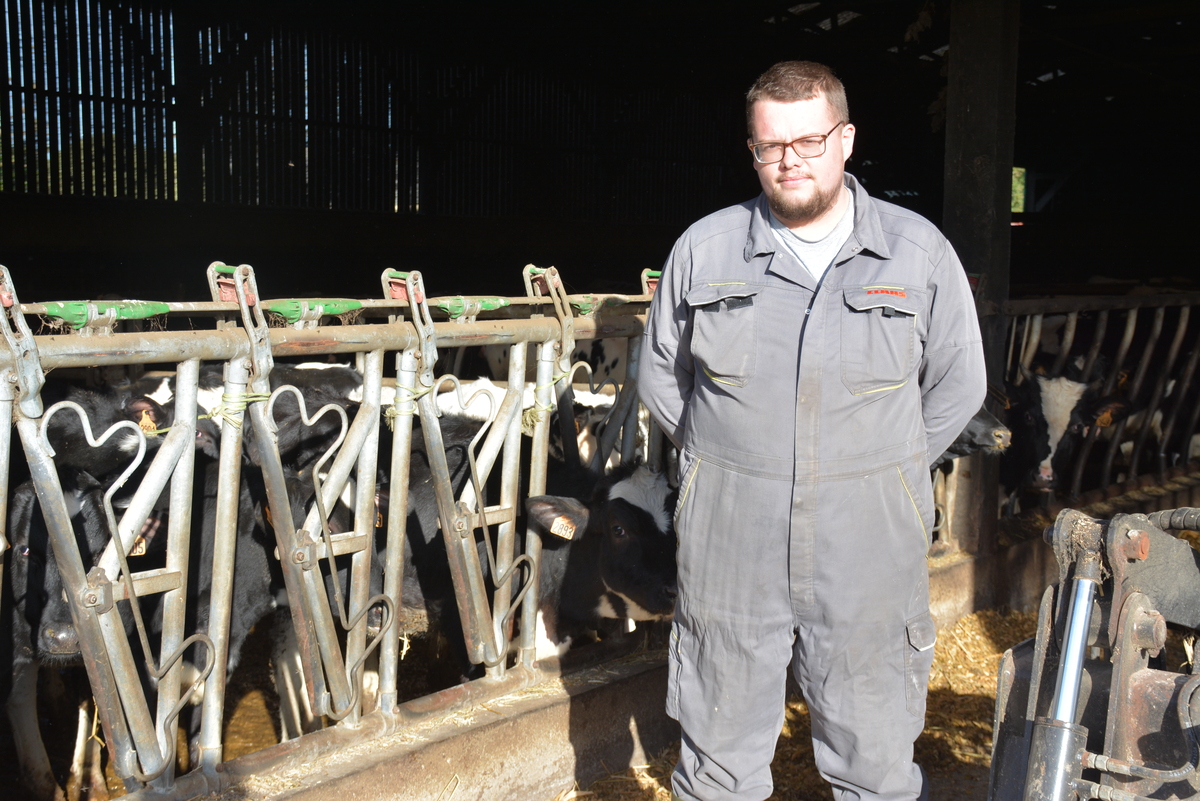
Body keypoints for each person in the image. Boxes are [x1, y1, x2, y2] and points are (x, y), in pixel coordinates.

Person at [638, 60, 986, 801]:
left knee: (874, 760)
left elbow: (960, 382)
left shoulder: (916, 252)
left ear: (847, 138)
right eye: (771, 145)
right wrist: (716, 464)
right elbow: (661, 376)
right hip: (733, 536)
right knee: (717, 763)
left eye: (808, 139)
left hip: (868, 541)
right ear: (754, 151)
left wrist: (889, 468)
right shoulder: (705, 248)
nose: (790, 159)